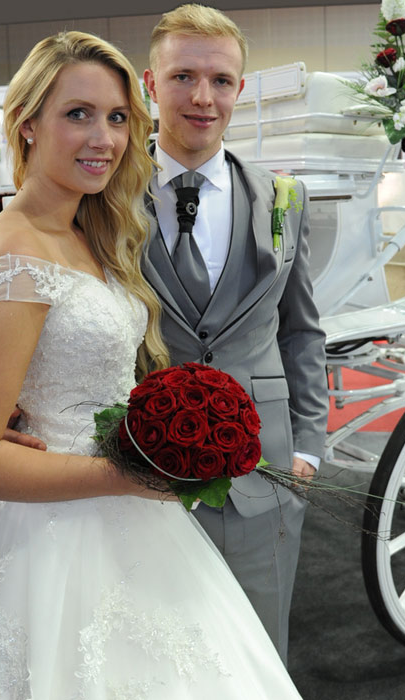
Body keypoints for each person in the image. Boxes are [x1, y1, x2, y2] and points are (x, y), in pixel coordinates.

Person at [0, 31, 303, 699]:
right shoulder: (14, 248)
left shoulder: (87, 229)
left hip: (128, 512)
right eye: (78, 114)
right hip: (63, 533)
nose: (103, 137)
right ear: (28, 125)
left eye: (118, 117)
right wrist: (126, 476)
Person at [141, 4, 329, 663]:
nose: (202, 96)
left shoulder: (283, 196)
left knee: (256, 645)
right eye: (183, 76)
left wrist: (308, 442)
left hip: (267, 465)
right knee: (157, 648)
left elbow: (301, 329)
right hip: (141, 468)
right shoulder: (103, 195)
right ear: (149, 84)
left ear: (239, 90)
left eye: (221, 80)